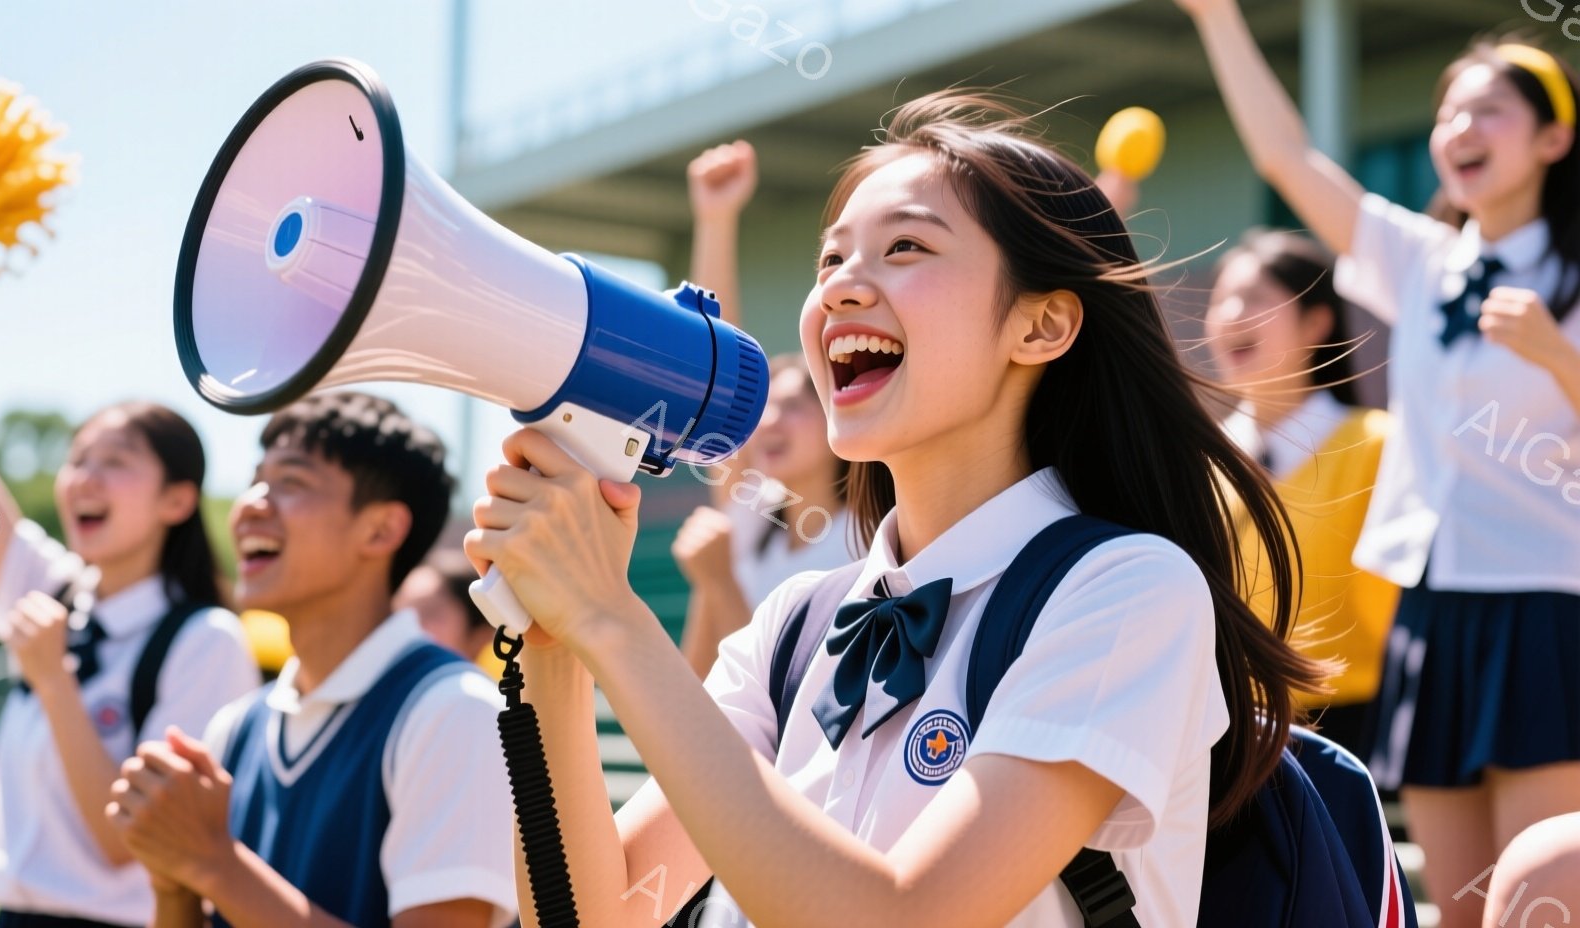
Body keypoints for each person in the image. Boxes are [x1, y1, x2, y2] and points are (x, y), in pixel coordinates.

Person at [464, 91, 1321, 926]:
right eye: (830, 260)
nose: (840, 289)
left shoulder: (1131, 589)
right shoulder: (796, 625)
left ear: (1043, 326)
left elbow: (897, 915)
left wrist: (612, 619)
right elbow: (595, 912)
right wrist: (554, 641)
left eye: (904, 247)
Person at [1178, 3, 1580, 922]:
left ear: (1556, 137)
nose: (1458, 131)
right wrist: (1218, 19)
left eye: (1489, 112)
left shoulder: (1573, 270)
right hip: (1430, 608)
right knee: (1461, 903)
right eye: (1448, 113)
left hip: (1543, 601)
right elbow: (1289, 160)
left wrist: (1558, 352)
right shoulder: (1424, 258)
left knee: (1542, 896)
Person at [0, 233, 259, 927]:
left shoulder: (207, 642)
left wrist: (53, 681)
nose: (83, 479)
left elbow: (124, 844)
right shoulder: (52, 586)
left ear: (178, 500)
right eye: (77, 460)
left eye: (116, 461)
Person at [105, 392, 517, 928]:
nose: (251, 503)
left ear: (380, 530)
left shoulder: (457, 713)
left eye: (291, 483)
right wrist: (173, 878)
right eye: (256, 479)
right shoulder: (235, 727)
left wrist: (213, 863)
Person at [1203, 228, 1398, 756]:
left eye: (1257, 298)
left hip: (1357, 729)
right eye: (1221, 300)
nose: (1233, 315)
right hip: (1223, 729)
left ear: (1317, 321)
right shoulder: (1200, 459)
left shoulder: (1379, 444)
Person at [675, 143, 854, 676]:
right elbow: (721, 377)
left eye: (796, 406)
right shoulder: (753, 518)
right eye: (765, 407)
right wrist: (715, 218)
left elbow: (778, 698)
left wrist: (719, 581)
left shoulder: (871, 541)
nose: (769, 421)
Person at [395, 548, 499, 677]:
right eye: (398, 612)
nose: (408, 624)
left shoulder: (505, 691)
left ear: (481, 634)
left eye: (429, 612)